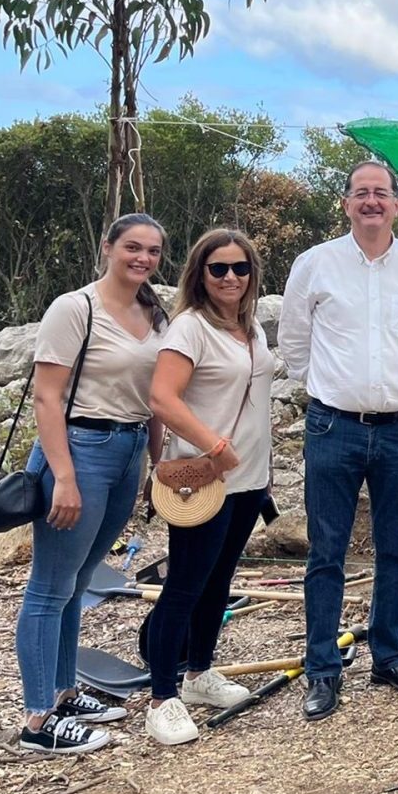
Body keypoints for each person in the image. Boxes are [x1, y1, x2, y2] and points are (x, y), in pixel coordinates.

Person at [278, 160, 398, 721]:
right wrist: (335, 390)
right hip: (334, 427)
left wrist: (393, 389)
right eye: (361, 193)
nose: (372, 201)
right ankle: (323, 670)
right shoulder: (315, 264)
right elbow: (295, 342)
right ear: (346, 203)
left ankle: (389, 656)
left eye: (382, 193)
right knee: (326, 553)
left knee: (395, 549)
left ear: (397, 205)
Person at [15, 213, 168, 754]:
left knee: (79, 582)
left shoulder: (153, 313)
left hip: (127, 450)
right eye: (132, 247)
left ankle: (63, 691)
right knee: (50, 586)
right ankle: (37, 721)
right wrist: (63, 476)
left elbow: (155, 396)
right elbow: (46, 398)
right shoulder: (74, 307)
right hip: (79, 449)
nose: (142, 258)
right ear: (107, 247)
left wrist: (157, 463)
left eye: (152, 251)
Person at [143, 229, 273, 745]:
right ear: (199, 274)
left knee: (219, 579)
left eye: (240, 268)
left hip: (248, 478)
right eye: (218, 268)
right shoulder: (190, 328)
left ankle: (199, 674)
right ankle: (161, 698)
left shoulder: (251, 328)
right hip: (205, 478)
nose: (230, 278)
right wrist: (215, 447)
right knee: (185, 585)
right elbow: (162, 398)